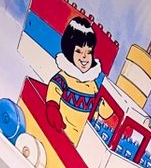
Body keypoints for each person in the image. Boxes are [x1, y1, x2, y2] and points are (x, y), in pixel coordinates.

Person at [45, 16, 109, 145]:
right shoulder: (65, 78)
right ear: (70, 51)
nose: (84, 57)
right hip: (62, 133)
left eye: (89, 52)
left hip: (81, 142)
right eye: (79, 51)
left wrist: (111, 107)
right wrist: (52, 109)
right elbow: (54, 90)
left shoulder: (92, 85)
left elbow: (103, 110)